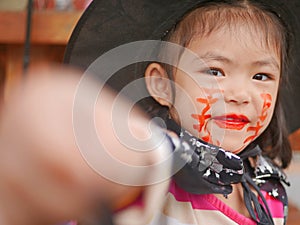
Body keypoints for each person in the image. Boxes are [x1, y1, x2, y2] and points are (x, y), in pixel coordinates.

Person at [64, 0, 295, 224]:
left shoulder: (268, 187)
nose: (241, 95)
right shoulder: (150, 169)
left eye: (261, 76)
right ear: (163, 85)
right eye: (214, 71)